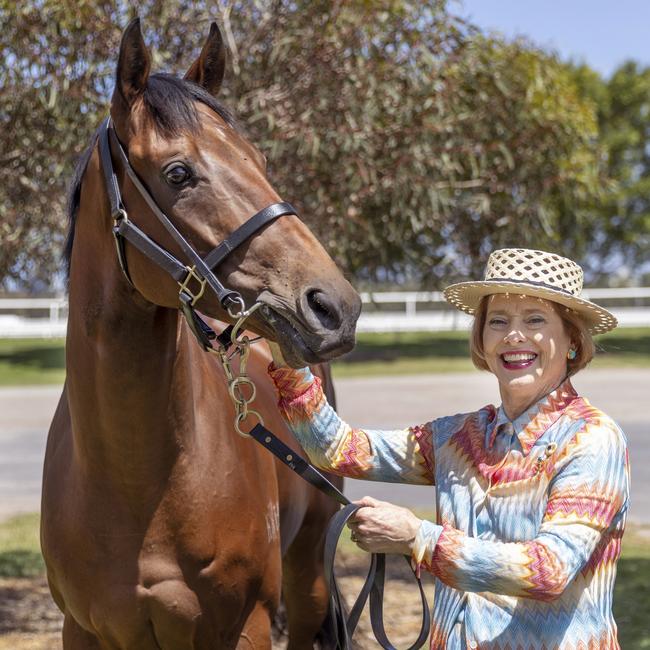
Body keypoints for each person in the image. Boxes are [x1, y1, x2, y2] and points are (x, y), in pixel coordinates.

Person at [267, 248, 629, 650]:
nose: (514, 335)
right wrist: (290, 364)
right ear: (482, 341)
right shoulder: (460, 437)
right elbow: (339, 449)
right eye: (498, 321)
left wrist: (417, 537)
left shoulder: (592, 439)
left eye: (535, 320)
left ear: (572, 342)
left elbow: (548, 571)